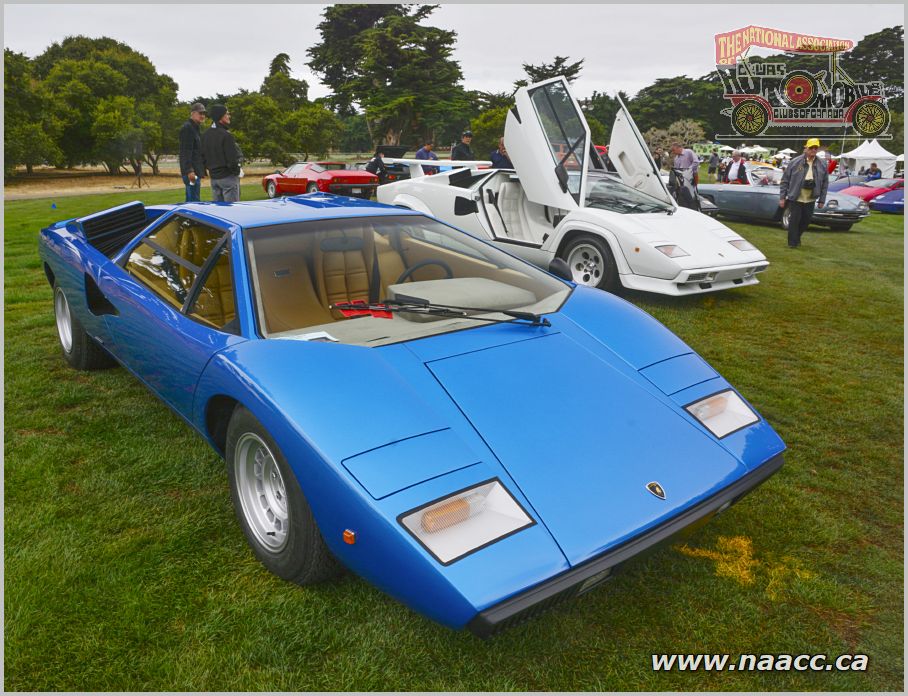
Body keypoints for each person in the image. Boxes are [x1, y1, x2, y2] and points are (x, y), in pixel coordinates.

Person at [779, 138, 828, 249]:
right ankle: (792, 243)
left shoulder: (822, 164)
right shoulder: (794, 162)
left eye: (816, 148)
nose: (813, 150)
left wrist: (822, 200)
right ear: (806, 148)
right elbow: (785, 180)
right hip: (796, 196)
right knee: (794, 221)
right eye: (811, 148)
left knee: (805, 221)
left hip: (811, 198)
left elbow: (825, 183)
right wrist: (782, 197)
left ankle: (796, 238)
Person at [200, 104, 242, 202]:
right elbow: (232, 159)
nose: (229, 116)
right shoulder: (226, 135)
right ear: (220, 116)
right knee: (231, 211)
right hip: (227, 177)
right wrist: (236, 171)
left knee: (219, 211)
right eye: (226, 114)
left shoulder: (205, 135)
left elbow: (202, 157)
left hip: (214, 178)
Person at [179, 102, 207, 202]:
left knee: (191, 201)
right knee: (194, 203)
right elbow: (185, 151)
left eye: (204, 114)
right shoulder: (188, 128)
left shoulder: (195, 128)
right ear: (193, 113)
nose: (203, 116)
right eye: (200, 113)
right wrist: (189, 170)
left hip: (195, 171)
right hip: (191, 173)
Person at [670, 142, 700, 209]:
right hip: (682, 180)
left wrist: (688, 170)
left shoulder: (688, 152)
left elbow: (696, 162)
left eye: (674, 150)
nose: (673, 152)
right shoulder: (676, 158)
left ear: (678, 148)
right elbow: (677, 170)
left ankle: (695, 209)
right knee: (684, 196)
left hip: (692, 177)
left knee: (693, 195)